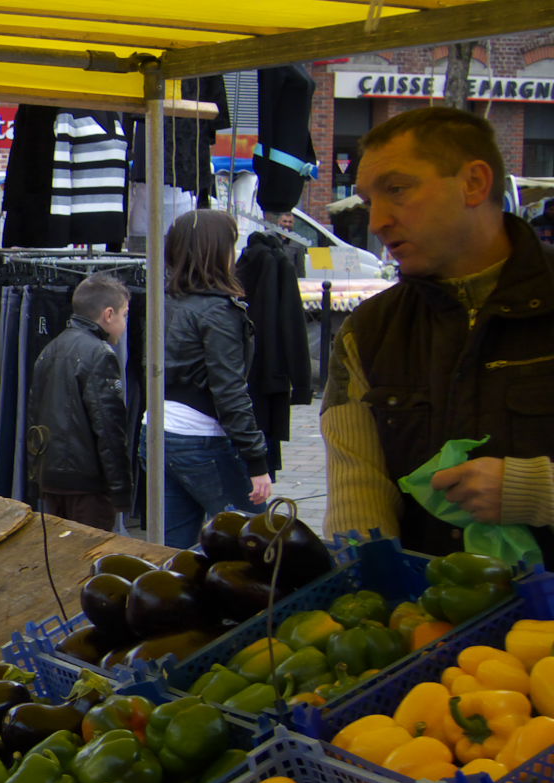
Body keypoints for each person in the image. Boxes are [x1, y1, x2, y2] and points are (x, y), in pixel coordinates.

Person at [322, 106, 554, 555]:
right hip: (429, 617)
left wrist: (534, 490)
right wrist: (371, 589)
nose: (377, 221)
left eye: (397, 190)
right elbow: (357, 496)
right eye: (371, 201)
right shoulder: (365, 333)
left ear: (474, 183)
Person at [155, 209, 273, 546]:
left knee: (171, 550)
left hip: (160, 430)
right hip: (201, 436)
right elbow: (230, 392)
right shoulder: (219, 311)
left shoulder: (162, 299)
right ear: (219, 251)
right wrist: (257, 461)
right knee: (256, 545)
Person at [26, 274, 133, 532]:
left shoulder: (50, 349)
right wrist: (121, 490)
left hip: (52, 479)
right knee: (89, 559)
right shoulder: (99, 355)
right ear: (109, 314)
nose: (126, 323)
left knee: (62, 556)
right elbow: (109, 428)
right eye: (125, 314)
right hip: (88, 485)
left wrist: (37, 475)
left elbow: (34, 418)